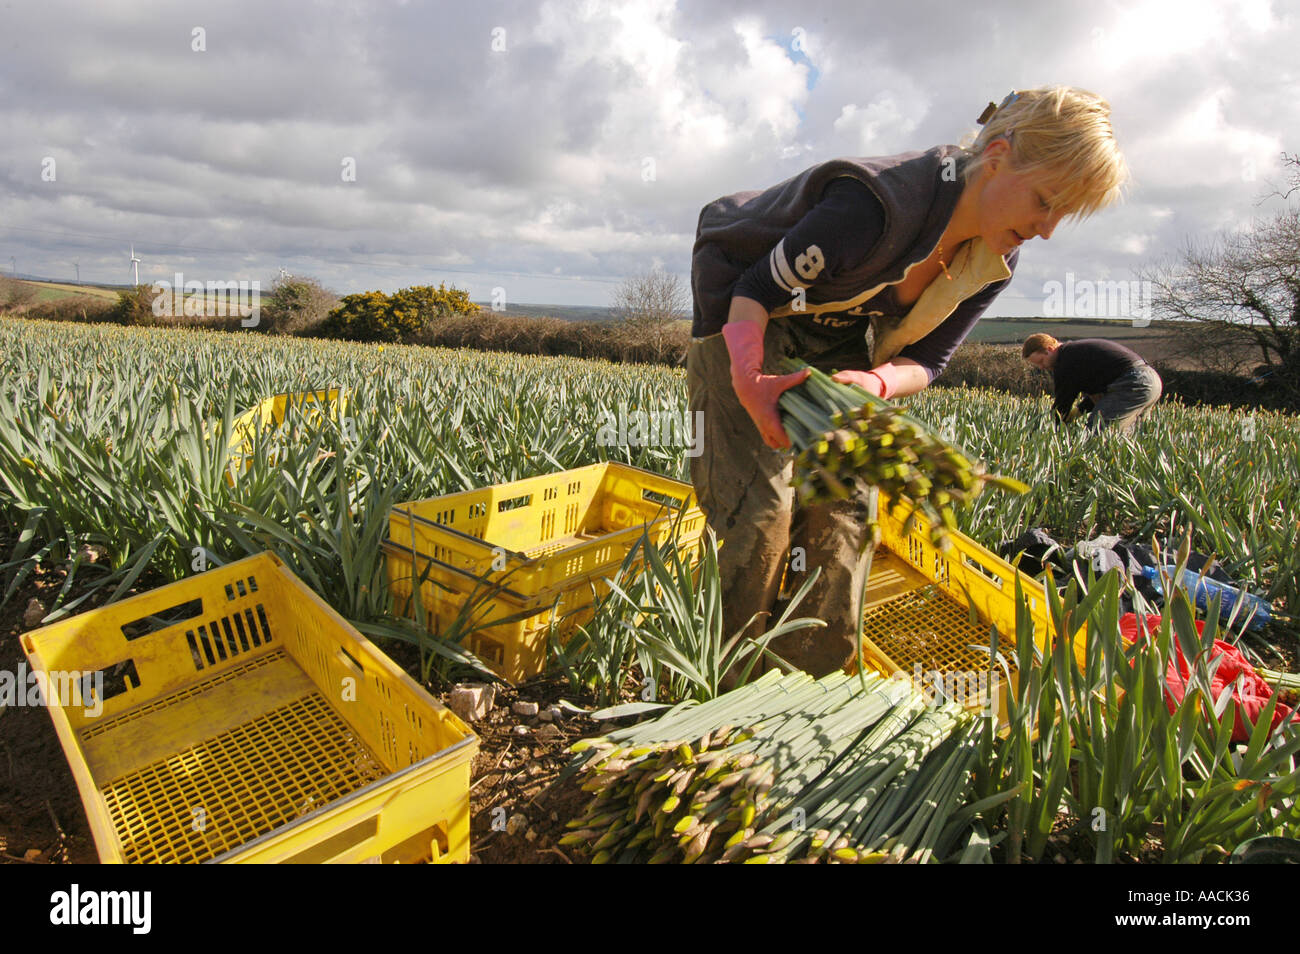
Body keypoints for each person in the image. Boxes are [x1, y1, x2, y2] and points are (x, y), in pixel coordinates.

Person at [686, 86, 1129, 678]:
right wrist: (749, 380)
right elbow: (755, 291)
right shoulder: (874, 207)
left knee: (846, 505)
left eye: (1062, 215)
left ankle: (798, 687)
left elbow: (930, 358)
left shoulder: (995, 258)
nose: (1047, 229)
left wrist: (872, 385)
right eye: (1045, 202)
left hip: (832, 330)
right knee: (761, 511)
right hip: (743, 311)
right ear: (996, 156)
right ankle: (718, 685)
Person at [1021, 333, 1162, 432]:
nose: (1042, 367)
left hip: (1134, 383)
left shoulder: (1066, 360)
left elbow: (1063, 401)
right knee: (1126, 436)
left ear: (1049, 350)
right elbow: (1100, 396)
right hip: (1150, 381)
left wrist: (1047, 431)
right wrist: (1079, 411)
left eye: (1041, 361)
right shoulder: (1077, 353)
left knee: (1098, 432)